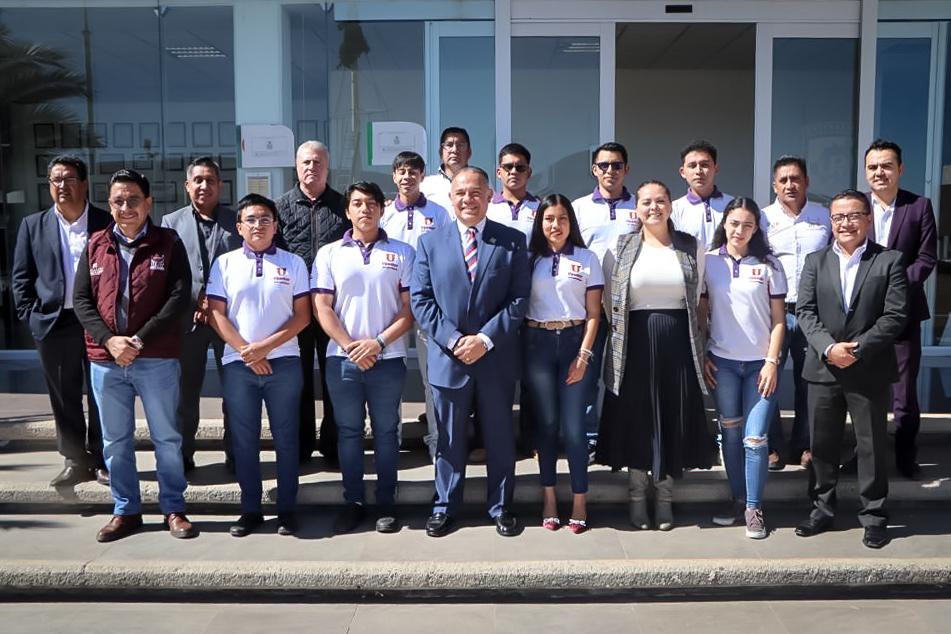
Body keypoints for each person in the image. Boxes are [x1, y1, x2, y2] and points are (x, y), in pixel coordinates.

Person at [72, 169, 196, 543]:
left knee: (167, 438)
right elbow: (81, 301)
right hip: (106, 363)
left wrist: (137, 341)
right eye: (117, 201)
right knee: (114, 441)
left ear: (148, 203)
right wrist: (110, 341)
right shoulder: (95, 244)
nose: (125, 207)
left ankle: (173, 507)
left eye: (132, 200)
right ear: (109, 205)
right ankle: (126, 510)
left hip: (155, 358)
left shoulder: (168, 243)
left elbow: (178, 298)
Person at [411, 167, 530, 538]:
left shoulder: (512, 241)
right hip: (449, 359)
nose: (468, 199)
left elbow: (518, 299)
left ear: (490, 195)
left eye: (475, 192)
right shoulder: (430, 243)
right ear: (451, 197)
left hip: (494, 358)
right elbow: (421, 298)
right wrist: (452, 339)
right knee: (448, 439)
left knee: (498, 436)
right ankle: (445, 506)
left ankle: (501, 507)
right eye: (461, 192)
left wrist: (485, 339)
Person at [794, 189, 908, 549]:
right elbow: (805, 312)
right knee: (822, 445)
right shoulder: (815, 261)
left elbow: (895, 316)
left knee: (871, 445)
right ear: (831, 222)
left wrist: (856, 349)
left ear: (868, 219)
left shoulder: (889, 261)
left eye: (854, 215)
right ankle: (822, 510)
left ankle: (873, 516)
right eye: (839, 217)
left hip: (868, 369)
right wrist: (830, 348)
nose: (846, 223)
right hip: (823, 368)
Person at [597, 180, 713, 531]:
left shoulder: (691, 246)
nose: (654, 207)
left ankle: (664, 497)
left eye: (660, 201)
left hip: (677, 344)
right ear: (637, 207)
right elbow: (608, 300)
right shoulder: (620, 246)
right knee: (637, 418)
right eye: (646, 201)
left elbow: (698, 297)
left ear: (670, 205)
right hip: (634, 344)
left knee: (670, 416)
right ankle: (636, 495)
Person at [206, 193, 310, 538]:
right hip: (239, 366)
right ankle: (250, 509)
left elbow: (303, 316)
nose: (258, 225)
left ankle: (287, 511)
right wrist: (246, 352)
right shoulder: (224, 264)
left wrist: (265, 348)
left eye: (265, 219)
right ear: (239, 227)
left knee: (286, 438)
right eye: (251, 219)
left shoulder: (294, 263)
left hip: (284, 363)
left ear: (275, 225)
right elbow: (216, 313)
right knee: (244, 440)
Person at [314, 182, 415, 534]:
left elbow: (409, 310)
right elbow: (322, 307)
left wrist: (378, 343)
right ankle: (354, 500)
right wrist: (349, 345)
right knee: (349, 432)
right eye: (357, 203)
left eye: (372, 203)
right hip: (341, 360)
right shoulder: (329, 253)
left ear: (382, 209)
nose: (365, 210)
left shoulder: (403, 252)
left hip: (388, 358)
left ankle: (386, 501)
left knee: (387, 432)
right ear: (347, 210)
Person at [12, 155, 110, 488]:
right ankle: (73, 459)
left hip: (97, 322)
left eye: (68, 179)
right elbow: (21, 277)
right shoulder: (33, 225)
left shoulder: (104, 222)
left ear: (83, 184)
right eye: (55, 180)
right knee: (63, 393)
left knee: (100, 391)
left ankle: (99, 458)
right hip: (54, 322)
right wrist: (31, 315)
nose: (61, 186)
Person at [701, 198, 787, 539]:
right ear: (724, 224)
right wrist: (703, 350)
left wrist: (772, 361)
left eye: (747, 225)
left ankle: (754, 508)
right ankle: (737, 501)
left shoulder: (769, 265)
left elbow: (780, 321)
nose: (739, 230)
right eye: (734, 223)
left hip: (759, 367)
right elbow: (701, 313)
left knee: (755, 438)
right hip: (722, 363)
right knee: (731, 433)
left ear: (756, 228)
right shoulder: (708, 263)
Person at [523, 194, 602, 534]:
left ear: (571, 222)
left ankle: (580, 500)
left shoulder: (587, 258)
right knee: (547, 424)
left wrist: (584, 356)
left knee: (573, 426)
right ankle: (550, 498)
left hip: (575, 343)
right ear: (540, 224)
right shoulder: (529, 259)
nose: (556, 226)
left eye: (562, 219)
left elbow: (595, 314)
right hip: (537, 343)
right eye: (549, 219)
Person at [161, 156, 241, 473]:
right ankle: (183, 455)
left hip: (229, 321)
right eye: (198, 180)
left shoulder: (236, 222)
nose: (204, 186)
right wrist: (194, 303)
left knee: (235, 392)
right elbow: (168, 274)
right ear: (187, 185)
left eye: (210, 180)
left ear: (220, 185)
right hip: (187, 322)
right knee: (185, 394)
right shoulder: (171, 222)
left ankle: (236, 454)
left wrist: (216, 302)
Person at [864, 139, 937, 479]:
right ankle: (866, 455)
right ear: (867, 173)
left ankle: (906, 454)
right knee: (865, 391)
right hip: (863, 317)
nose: (880, 172)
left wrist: (892, 284)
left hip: (904, 312)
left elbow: (925, 259)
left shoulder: (919, 206)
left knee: (904, 392)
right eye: (873, 167)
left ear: (900, 169)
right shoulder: (857, 207)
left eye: (886, 165)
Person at [275, 140, 350, 464]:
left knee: (336, 376)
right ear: (296, 166)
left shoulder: (343, 206)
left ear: (327, 166)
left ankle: (334, 444)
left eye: (318, 162)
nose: (311, 167)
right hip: (294, 308)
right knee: (298, 379)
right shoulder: (279, 207)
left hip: (334, 306)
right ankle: (302, 444)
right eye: (306, 162)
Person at [761, 156, 831, 471]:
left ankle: (804, 445)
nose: (790, 185)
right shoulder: (762, 219)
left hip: (813, 312)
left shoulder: (824, 217)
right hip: (774, 311)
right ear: (774, 185)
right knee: (768, 379)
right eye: (784, 180)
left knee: (810, 380)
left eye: (796, 179)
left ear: (807, 182)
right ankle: (772, 445)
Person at [380, 151, 450, 461]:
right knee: (389, 376)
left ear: (423, 176)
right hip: (391, 307)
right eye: (401, 171)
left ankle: (437, 443)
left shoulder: (440, 213)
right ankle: (390, 441)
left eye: (413, 171)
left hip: (428, 304)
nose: (407, 176)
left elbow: (449, 258)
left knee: (430, 377)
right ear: (394, 176)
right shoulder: (383, 215)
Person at [573, 142, 637, 457]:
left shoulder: (640, 206)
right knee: (586, 373)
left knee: (624, 376)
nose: (609, 171)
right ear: (593, 169)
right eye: (603, 165)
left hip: (630, 306)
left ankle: (621, 438)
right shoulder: (579, 208)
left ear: (626, 168)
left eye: (616, 165)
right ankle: (587, 438)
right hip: (591, 307)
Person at [671, 140, 734, 250]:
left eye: (704, 165)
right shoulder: (674, 209)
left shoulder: (732, 205)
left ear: (716, 168)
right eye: (692, 166)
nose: (698, 171)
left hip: (724, 267)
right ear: (683, 172)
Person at [487, 142, 539, 243]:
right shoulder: (487, 207)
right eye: (508, 167)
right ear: (498, 172)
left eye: (520, 168)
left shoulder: (541, 208)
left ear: (529, 172)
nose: (514, 171)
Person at [420, 127, 472, 211]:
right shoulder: (425, 185)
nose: (454, 150)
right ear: (441, 152)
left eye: (460, 145)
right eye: (449, 145)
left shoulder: (481, 182)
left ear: (469, 152)